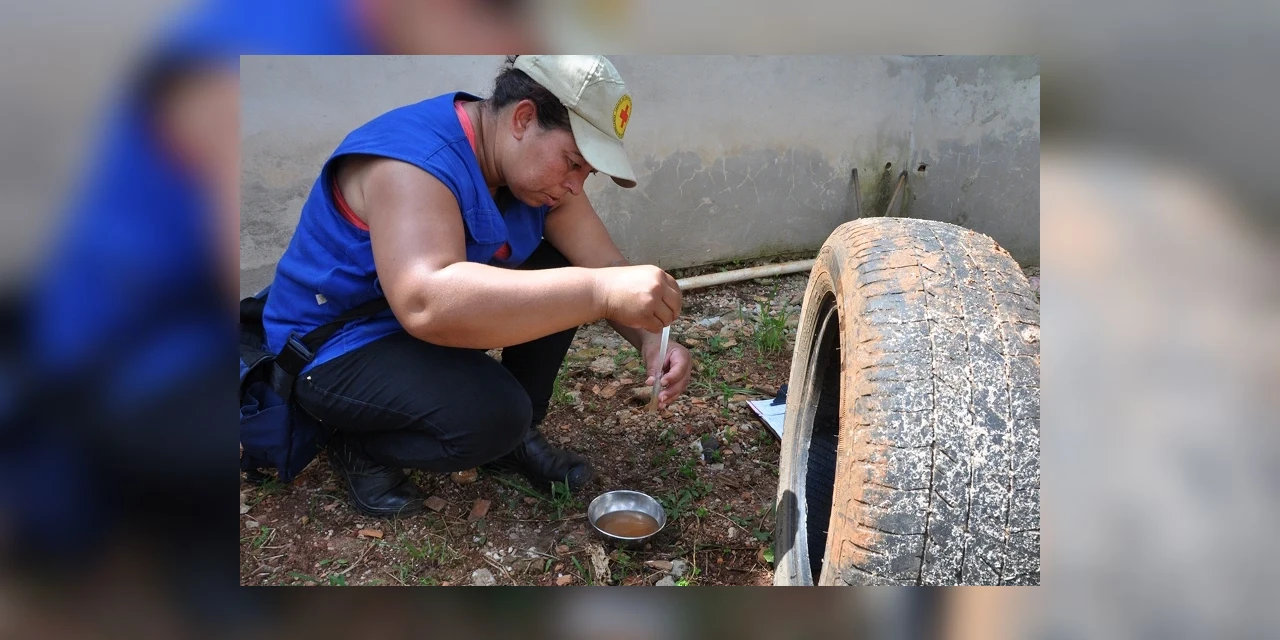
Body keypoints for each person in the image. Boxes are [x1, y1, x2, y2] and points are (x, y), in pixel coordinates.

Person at [260, 55, 694, 518]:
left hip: (410, 334)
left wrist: (652, 338)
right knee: (492, 416)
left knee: (561, 265)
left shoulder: (531, 177)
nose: (574, 186)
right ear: (523, 119)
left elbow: (603, 263)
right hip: (335, 344)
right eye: (573, 162)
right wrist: (598, 292)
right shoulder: (415, 161)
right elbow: (426, 302)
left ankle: (518, 433)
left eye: (586, 173)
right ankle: (364, 448)